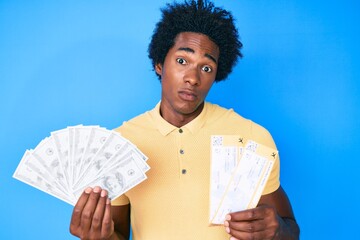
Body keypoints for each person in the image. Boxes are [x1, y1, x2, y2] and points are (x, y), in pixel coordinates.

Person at [69, 0, 300, 239]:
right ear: (160, 64)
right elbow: (116, 234)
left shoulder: (251, 137)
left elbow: (292, 231)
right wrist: (98, 236)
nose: (193, 78)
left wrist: (278, 231)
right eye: (182, 61)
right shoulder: (119, 144)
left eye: (207, 68)